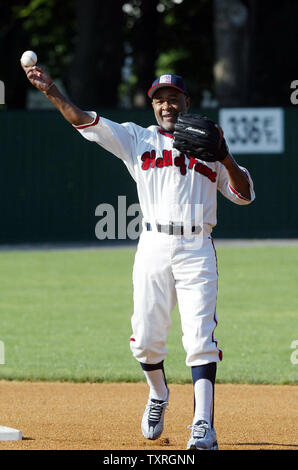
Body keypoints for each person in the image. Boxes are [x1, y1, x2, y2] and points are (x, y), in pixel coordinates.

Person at [21, 64, 255, 450]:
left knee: (200, 338)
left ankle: (202, 426)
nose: (167, 106)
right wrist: (51, 91)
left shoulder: (210, 143)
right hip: (153, 247)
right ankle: (159, 394)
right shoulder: (136, 139)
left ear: (186, 102)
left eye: (174, 99)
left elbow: (245, 195)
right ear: (153, 106)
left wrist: (225, 156)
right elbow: (82, 120)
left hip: (197, 247)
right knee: (146, 342)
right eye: (160, 100)